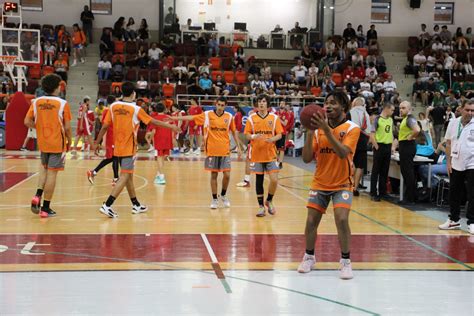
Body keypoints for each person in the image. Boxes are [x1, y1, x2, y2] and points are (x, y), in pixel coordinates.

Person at [298, 91, 360, 279]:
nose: (328, 106)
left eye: (333, 103)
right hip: (320, 182)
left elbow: (343, 153)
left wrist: (325, 130)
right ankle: (309, 257)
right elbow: (307, 158)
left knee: (341, 219)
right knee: (310, 221)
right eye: (326, 103)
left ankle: (345, 261)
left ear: (344, 106)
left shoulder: (352, 128)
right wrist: (310, 132)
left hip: (342, 183)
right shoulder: (317, 130)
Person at [93, 82, 180, 218]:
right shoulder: (136, 109)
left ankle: (136, 204)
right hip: (129, 147)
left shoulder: (113, 106)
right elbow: (153, 121)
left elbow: (104, 127)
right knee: (124, 176)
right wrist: (171, 127)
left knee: (129, 177)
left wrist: (96, 143)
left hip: (118, 146)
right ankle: (107, 205)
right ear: (133, 94)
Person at [173, 97, 242, 208]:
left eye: (222, 105)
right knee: (214, 175)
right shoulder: (207, 115)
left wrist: (238, 147)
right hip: (212, 150)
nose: (220, 107)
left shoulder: (229, 117)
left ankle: (223, 195)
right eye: (218, 104)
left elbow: (234, 132)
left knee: (227, 175)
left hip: (225, 150)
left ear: (225, 106)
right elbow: (191, 117)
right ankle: (214, 199)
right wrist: (174, 117)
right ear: (216, 104)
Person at [24, 74, 72, 218]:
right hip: (57, 142)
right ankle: (45, 208)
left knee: (43, 170)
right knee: (52, 174)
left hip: (43, 142)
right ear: (57, 87)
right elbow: (68, 127)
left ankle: (37, 195)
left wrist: (38, 128)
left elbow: (26, 121)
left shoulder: (36, 102)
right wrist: (69, 140)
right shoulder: (63, 104)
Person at [244, 94, 283, 217]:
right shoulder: (251, 118)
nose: (261, 103)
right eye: (259, 101)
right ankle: (261, 207)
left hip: (270, 153)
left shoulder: (274, 118)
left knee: (274, 179)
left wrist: (272, 139)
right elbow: (246, 134)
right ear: (257, 104)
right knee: (259, 181)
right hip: (257, 154)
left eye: (264, 101)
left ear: (267, 104)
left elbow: (280, 134)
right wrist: (253, 136)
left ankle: (269, 200)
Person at [439, 100, 474, 234]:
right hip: (456, 162)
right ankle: (454, 220)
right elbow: (448, 143)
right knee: (454, 191)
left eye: (473, 111)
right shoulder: (453, 123)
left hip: (472, 162)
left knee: (472, 193)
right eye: (468, 110)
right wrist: (448, 162)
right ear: (461, 109)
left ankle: (472, 222)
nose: (470, 113)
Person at [87, 96, 119, 186]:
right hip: (111, 137)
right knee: (115, 157)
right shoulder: (108, 111)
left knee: (111, 158)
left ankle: (93, 172)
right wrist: (102, 141)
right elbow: (104, 126)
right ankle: (116, 178)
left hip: (114, 137)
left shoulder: (110, 111)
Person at [369, 103, 396, 201]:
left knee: (384, 171)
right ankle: (373, 193)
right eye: (392, 110)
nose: (393, 112)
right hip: (379, 146)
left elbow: (391, 133)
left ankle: (382, 192)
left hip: (388, 147)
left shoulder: (390, 120)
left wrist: (392, 146)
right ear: (387, 109)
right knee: (376, 171)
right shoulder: (377, 119)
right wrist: (376, 146)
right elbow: (372, 134)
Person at [397, 101, 420, 205]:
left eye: (404, 108)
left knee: (407, 172)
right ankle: (412, 196)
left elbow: (417, 130)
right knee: (407, 172)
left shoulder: (410, 118)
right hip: (405, 146)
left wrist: (410, 137)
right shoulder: (405, 119)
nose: (401, 109)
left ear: (409, 109)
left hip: (407, 146)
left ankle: (410, 198)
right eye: (400, 108)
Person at [347, 97, 370, 196]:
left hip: (353, 138)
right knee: (360, 165)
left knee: (351, 162)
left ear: (354, 103)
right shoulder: (367, 114)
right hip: (364, 140)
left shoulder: (350, 112)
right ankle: (355, 187)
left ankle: (350, 185)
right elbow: (369, 131)